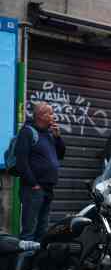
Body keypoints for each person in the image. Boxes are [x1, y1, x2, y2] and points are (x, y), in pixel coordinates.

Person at [15, 103, 65, 241]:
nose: (53, 116)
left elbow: (60, 155)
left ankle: (36, 261)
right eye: (50, 113)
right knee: (29, 231)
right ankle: (23, 261)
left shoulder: (49, 134)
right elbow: (21, 161)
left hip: (48, 188)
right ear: (41, 116)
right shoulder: (27, 132)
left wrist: (58, 137)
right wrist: (33, 184)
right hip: (33, 189)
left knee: (42, 230)